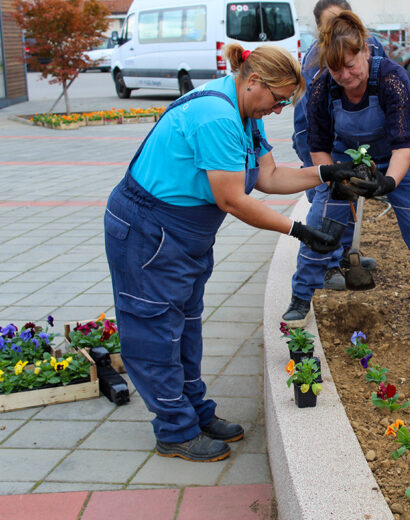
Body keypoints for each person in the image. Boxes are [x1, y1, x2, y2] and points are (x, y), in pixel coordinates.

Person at [104, 44, 362, 462]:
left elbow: (269, 177)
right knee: (155, 328)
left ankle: (195, 412)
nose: (278, 110)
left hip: (183, 234)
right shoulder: (217, 117)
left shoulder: (245, 112)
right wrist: (300, 231)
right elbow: (233, 200)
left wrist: (327, 173)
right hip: (148, 231)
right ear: (253, 80)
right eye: (277, 100)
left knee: (185, 325)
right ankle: (175, 430)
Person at [282, 11, 410, 339]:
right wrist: (334, 174)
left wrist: (388, 182)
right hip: (345, 156)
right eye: (337, 69)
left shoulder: (392, 78)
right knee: (321, 225)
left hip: (405, 156)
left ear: (365, 50)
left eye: (351, 66)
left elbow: (404, 146)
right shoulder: (323, 87)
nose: (345, 76)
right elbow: (317, 145)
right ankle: (299, 298)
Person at [291, 0, 386, 292]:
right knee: (326, 200)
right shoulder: (314, 59)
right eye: (328, 24)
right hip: (315, 137)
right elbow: (312, 118)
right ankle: (326, 265)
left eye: (341, 20)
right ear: (319, 29)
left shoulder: (373, 47)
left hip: (348, 138)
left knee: (348, 194)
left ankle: (344, 253)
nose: (336, 29)